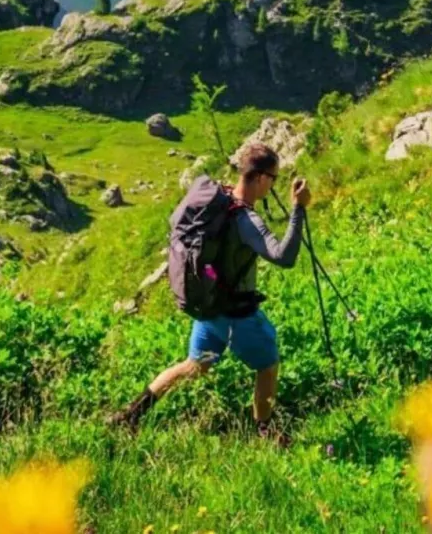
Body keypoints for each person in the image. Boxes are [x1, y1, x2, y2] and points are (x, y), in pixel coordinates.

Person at [112, 143, 309, 436]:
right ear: (259, 178)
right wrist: (298, 209)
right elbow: (284, 257)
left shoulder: (220, 199)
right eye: (274, 178)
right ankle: (265, 434)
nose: (274, 185)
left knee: (195, 365)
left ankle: (130, 415)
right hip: (235, 314)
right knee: (267, 364)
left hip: (208, 306)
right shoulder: (246, 219)